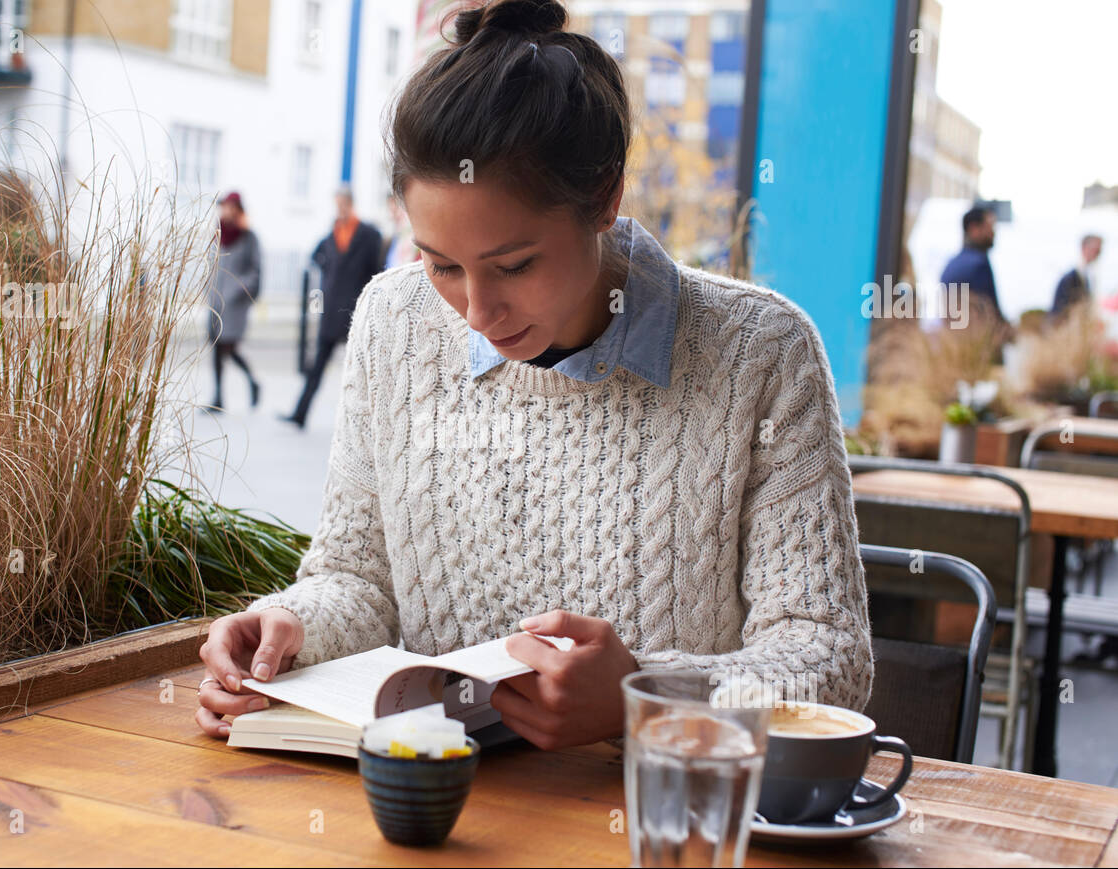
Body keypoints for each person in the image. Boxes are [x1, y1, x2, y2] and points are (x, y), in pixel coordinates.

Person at [197, 0, 873, 749]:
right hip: (438, 811)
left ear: (605, 198)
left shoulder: (762, 354)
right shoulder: (393, 321)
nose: (477, 311)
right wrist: (292, 625)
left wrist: (641, 694)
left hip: (658, 819)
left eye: (514, 265)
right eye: (442, 264)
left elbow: (828, 658)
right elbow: (358, 578)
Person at [278, 185, 384, 428]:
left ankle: (369, 423)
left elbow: (375, 269)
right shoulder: (332, 233)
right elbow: (317, 258)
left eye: (342, 204)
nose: (339, 208)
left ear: (350, 203)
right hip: (331, 309)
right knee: (318, 365)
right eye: (337, 204)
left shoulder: (368, 234)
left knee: (362, 370)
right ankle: (300, 413)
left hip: (354, 310)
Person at [207, 191, 262, 412]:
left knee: (228, 348)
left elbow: (256, 272)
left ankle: (252, 382)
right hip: (216, 301)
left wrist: (238, 288)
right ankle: (218, 397)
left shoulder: (249, 237)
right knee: (216, 347)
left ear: (238, 210)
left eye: (231, 207)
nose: (226, 211)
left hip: (234, 305)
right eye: (224, 206)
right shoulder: (218, 233)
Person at [939, 205, 1011, 360]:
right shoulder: (979, 265)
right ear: (974, 228)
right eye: (990, 227)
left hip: (953, 349)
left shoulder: (950, 265)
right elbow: (991, 314)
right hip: (980, 353)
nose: (993, 233)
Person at [1050, 234, 1103, 321]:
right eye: (1096, 250)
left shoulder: (1089, 276)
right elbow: (1060, 311)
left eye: (1099, 251)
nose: (1097, 255)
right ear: (1084, 248)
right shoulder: (1070, 278)